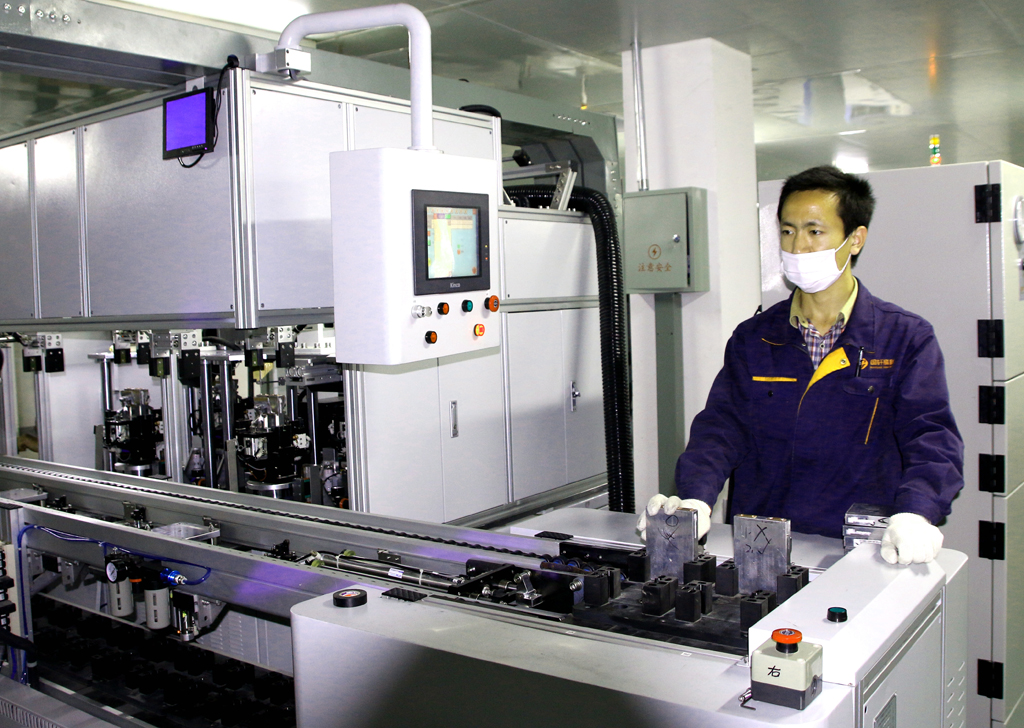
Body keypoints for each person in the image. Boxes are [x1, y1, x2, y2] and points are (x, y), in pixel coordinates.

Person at [638, 165, 964, 565]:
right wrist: (695, 499)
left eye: (815, 231)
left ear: (855, 239)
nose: (798, 247)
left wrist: (916, 512)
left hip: (862, 550)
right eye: (788, 231)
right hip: (762, 549)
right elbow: (721, 429)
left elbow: (932, 438)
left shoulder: (904, 338)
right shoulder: (755, 338)